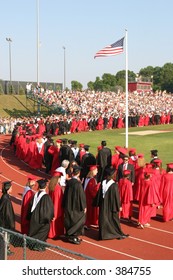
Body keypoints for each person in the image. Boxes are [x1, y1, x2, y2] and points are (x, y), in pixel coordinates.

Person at [93, 167, 129, 240]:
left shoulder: (103, 183)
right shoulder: (114, 185)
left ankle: (103, 235)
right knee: (114, 219)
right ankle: (117, 233)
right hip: (111, 206)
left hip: (103, 205)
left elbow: (99, 194)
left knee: (103, 219)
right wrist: (118, 206)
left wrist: (98, 203)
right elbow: (116, 197)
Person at [27, 179, 54, 251]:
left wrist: (30, 216)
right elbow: (49, 209)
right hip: (42, 218)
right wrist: (51, 217)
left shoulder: (35, 195)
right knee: (45, 229)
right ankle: (37, 245)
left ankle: (34, 243)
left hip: (34, 217)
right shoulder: (46, 197)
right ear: (45, 186)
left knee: (34, 230)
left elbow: (30, 205)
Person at [62, 165, 87, 245]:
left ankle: (72, 235)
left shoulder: (69, 182)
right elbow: (81, 196)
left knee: (70, 219)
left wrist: (64, 203)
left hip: (69, 204)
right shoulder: (78, 184)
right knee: (78, 220)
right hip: (76, 206)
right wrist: (84, 206)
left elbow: (65, 193)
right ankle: (73, 236)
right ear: (78, 173)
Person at [0, 181, 15, 255]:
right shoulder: (6, 200)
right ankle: (6, 250)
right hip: (5, 223)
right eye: (11, 187)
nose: (12, 189)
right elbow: (8, 213)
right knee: (6, 237)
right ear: (8, 189)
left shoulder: (4, 196)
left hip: (3, 222)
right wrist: (11, 224)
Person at [48, 172, 64, 239]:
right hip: (56, 208)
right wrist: (55, 213)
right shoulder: (57, 188)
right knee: (55, 222)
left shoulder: (51, 186)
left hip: (51, 206)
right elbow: (57, 201)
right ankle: (54, 233)